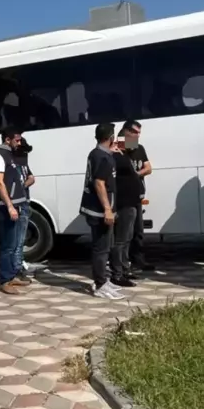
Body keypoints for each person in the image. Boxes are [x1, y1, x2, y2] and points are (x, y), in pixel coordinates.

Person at [79, 123, 124, 300]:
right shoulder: (102, 157)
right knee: (101, 248)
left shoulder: (98, 154)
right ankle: (100, 285)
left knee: (105, 246)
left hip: (98, 209)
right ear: (110, 137)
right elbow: (99, 183)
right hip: (99, 211)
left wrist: (111, 152)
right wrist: (107, 209)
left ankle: (103, 280)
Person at [0, 128, 31, 295]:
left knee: (14, 244)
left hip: (15, 205)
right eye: (17, 140)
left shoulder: (11, 156)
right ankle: (4, 280)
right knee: (7, 245)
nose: (19, 143)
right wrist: (10, 206)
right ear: (7, 140)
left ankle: (12, 275)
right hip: (3, 207)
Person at [120, 120, 154, 272]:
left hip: (138, 194)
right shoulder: (119, 148)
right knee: (125, 233)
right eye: (134, 132)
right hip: (125, 197)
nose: (137, 135)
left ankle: (139, 261)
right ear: (126, 131)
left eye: (139, 133)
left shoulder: (139, 148)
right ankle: (124, 263)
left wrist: (136, 174)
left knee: (138, 231)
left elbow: (148, 168)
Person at [108, 131, 141, 287]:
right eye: (130, 138)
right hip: (123, 204)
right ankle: (117, 274)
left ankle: (125, 268)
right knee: (120, 240)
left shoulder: (124, 155)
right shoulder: (115, 156)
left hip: (132, 203)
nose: (134, 141)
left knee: (127, 239)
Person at [13, 136, 36, 273]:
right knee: (18, 240)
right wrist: (23, 185)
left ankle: (20, 262)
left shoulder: (23, 164)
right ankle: (17, 268)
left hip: (25, 202)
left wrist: (24, 184)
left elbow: (32, 178)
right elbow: (17, 184)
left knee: (21, 239)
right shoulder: (14, 165)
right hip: (19, 204)